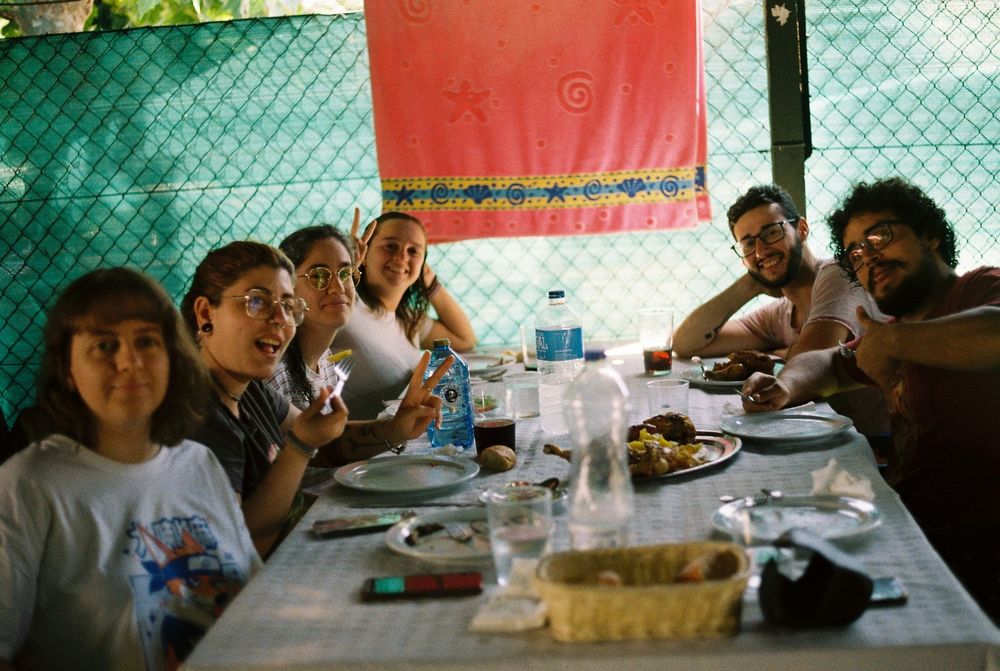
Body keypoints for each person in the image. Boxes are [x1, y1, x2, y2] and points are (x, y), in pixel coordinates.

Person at [742, 176, 1000, 622]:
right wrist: (786, 384)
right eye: (855, 253)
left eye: (880, 235)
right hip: (907, 522)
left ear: (929, 234)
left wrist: (897, 340)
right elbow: (826, 364)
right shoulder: (891, 332)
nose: (869, 256)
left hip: (974, 546)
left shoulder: (975, 290)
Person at [0, 268, 260, 671]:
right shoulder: (29, 485)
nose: (130, 362)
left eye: (146, 341)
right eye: (104, 346)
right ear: (68, 371)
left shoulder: (198, 463)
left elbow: (251, 600)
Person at [182, 241, 451, 555]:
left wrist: (395, 429)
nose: (280, 319)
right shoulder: (199, 416)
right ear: (204, 313)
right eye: (257, 302)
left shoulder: (248, 390)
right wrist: (299, 447)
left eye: (287, 306)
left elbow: (325, 442)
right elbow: (242, 546)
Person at [673, 183, 889, 439]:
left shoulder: (837, 274)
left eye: (772, 233)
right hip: (832, 436)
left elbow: (811, 360)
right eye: (748, 244)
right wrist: (749, 284)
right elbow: (686, 343)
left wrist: (786, 353)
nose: (761, 250)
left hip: (881, 445)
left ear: (802, 229)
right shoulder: (781, 312)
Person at [331, 211, 477, 419]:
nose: (401, 257)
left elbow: (465, 339)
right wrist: (342, 267)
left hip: (398, 437)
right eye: (390, 246)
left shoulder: (408, 320)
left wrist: (430, 282)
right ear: (363, 254)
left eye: (413, 251)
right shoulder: (345, 305)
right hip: (355, 444)